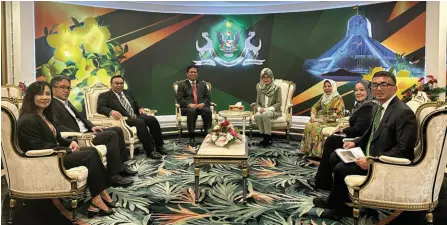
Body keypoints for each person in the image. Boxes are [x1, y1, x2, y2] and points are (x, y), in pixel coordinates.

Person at [313, 71, 418, 219]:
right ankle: (337, 200)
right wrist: (355, 142)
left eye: (384, 84)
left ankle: (337, 208)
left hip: (385, 164)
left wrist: (372, 161)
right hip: (369, 153)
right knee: (335, 156)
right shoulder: (379, 107)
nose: (379, 88)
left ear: (394, 88)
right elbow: (370, 133)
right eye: (375, 85)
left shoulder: (403, 112)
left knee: (341, 168)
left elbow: (404, 150)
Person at [17, 81, 116, 218]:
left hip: (55, 154)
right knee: (89, 155)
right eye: (40, 94)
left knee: (92, 151)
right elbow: (39, 146)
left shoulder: (44, 115)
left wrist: (71, 142)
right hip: (45, 159)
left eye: (47, 94)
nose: (45, 97)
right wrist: (67, 150)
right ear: (31, 97)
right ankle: (97, 199)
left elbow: (56, 137)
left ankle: (100, 194)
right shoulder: (28, 119)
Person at [50, 76, 137, 187]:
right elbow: (57, 126)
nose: (66, 90)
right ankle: (113, 176)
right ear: (53, 89)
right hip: (79, 137)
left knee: (117, 130)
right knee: (111, 135)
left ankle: (121, 166)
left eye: (68, 88)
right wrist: (81, 134)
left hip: (87, 132)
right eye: (62, 87)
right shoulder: (52, 104)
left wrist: (92, 127)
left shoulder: (66, 102)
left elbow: (82, 118)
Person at [307, 80, 378, 190]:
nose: (358, 93)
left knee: (331, 140)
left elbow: (358, 129)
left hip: (359, 142)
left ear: (369, 91)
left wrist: (342, 130)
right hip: (357, 138)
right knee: (329, 138)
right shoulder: (363, 105)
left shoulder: (368, 106)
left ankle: (323, 181)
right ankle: (323, 179)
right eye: (356, 90)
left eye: (362, 90)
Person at [97, 75, 165, 159]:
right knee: (140, 122)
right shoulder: (105, 95)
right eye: (116, 83)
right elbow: (100, 108)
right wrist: (111, 111)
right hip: (123, 119)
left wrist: (140, 108)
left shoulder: (127, 92)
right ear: (111, 84)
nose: (119, 85)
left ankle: (159, 146)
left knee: (152, 119)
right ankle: (150, 151)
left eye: (121, 83)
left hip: (135, 115)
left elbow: (135, 104)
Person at [299, 79, 345, 157]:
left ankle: (317, 153)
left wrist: (319, 119)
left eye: (329, 86)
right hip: (323, 119)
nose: (327, 88)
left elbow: (336, 115)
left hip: (334, 121)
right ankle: (307, 150)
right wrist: (313, 116)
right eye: (325, 86)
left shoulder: (337, 98)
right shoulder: (323, 97)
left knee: (316, 127)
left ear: (333, 87)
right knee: (308, 125)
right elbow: (315, 106)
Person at [175, 65, 212, 147]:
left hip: (200, 107)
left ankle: (207, 133)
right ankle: (192, 136)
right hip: (188, 108)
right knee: (191, 111)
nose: (193, 73)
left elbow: (207, 98)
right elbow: (180, 99)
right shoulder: (182, 85)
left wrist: (203, 104)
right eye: (191, 72)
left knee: (207, 110)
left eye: (195, 72)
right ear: (187, 74)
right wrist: (189, 104)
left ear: (197, 74)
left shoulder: (203, 85)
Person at [253, 68, 282, 147]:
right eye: (264, 77)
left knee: (265, 115)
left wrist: (267, 109)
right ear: (261, 78)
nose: (266, 79)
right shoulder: (259, 87)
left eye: (267, 77)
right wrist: (259, 108)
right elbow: (257, 102)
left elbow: (279, 103)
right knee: (257, 115)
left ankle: (268, 137)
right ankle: (265, 137)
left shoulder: (277, 88)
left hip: (274, 111)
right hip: (263, 110)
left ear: (271, 77)